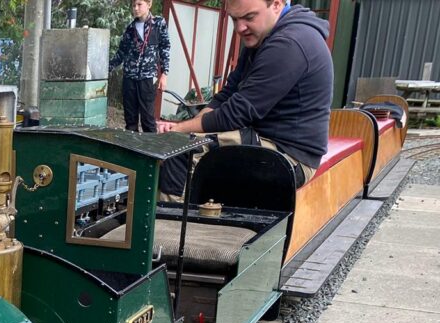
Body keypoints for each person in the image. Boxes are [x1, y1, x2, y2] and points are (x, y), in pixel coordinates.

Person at [155, 0, 332, 198]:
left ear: (276, 4)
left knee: (181, 152)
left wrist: (178, 130)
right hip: (261, 136)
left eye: (249, 17)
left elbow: (236, 113)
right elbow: (226, 96)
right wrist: (180, 129)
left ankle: (165, 225)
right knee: (177, 143)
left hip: (289, 155)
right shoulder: (261, 37)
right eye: (234, 19)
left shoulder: (290, 44)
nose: (240, 28)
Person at [109, 0, 171, 133]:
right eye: (133, 5)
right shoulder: (130, 28)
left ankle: (149, 152)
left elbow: (165, 48)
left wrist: (164, 74)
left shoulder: (158, 24)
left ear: (149, 4)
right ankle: (132, 151)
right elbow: (121, 53)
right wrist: (107, 68)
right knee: (130, 121)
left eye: (139, 4)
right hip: (129, 78)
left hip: (147, 78)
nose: (135, 8)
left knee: (148, 120)